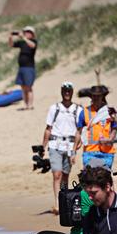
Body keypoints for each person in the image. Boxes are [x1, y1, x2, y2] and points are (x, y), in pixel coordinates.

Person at [42, 82, 82, 214]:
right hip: (55, 145)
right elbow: (48, 129)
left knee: (65, 175)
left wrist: (75, 150)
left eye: (69, 90)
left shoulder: (77, 109)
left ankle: (64, 199)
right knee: (57, 174)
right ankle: (58, 203)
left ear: (72, 92)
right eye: (64, 90)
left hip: (70, 146)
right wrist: (43, 146)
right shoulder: (54, 108)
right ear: (61, 91)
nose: (67, 92)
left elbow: (79, 131)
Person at [75, 85, 116, 169]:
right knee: (90, 179)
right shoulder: (85, 112)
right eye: (93, 96)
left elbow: (114, 128)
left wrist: (110, 139)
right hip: (90, 152)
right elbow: (78, 132)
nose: (96, 98)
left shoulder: (109, 111)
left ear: (102, 96)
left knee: (105, 180)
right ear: (91, 97)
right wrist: (74, 148)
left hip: (107, 152)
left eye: (98, 96)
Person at [8, 26, 38, 110]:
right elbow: (11, 45)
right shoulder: (22, 43)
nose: (26, 33)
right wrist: (10, 37)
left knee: (28, 87)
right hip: (21, 67)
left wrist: (23, 38)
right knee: (23, 87)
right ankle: (25, 105)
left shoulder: (33, 41)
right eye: (25, 32)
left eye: (28, 32)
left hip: (29, 67)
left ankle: (30, 105)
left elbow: (32, 45)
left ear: (32, 34)